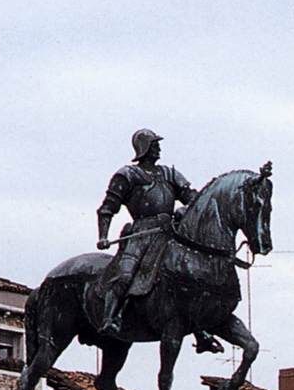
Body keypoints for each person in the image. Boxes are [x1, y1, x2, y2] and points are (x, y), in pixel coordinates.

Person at [95, 128, 223, 353]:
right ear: (144, 148)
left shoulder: (170, 174)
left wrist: (185, 209)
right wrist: (103, 236)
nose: (159, 147)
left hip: (169, 233)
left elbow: (193, 199)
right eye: (154, 144)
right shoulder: (127, 175)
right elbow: (107, 209)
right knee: (125, 275)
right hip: (141, 234)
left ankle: (199, 329)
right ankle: (110, 317)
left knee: (189, 276)